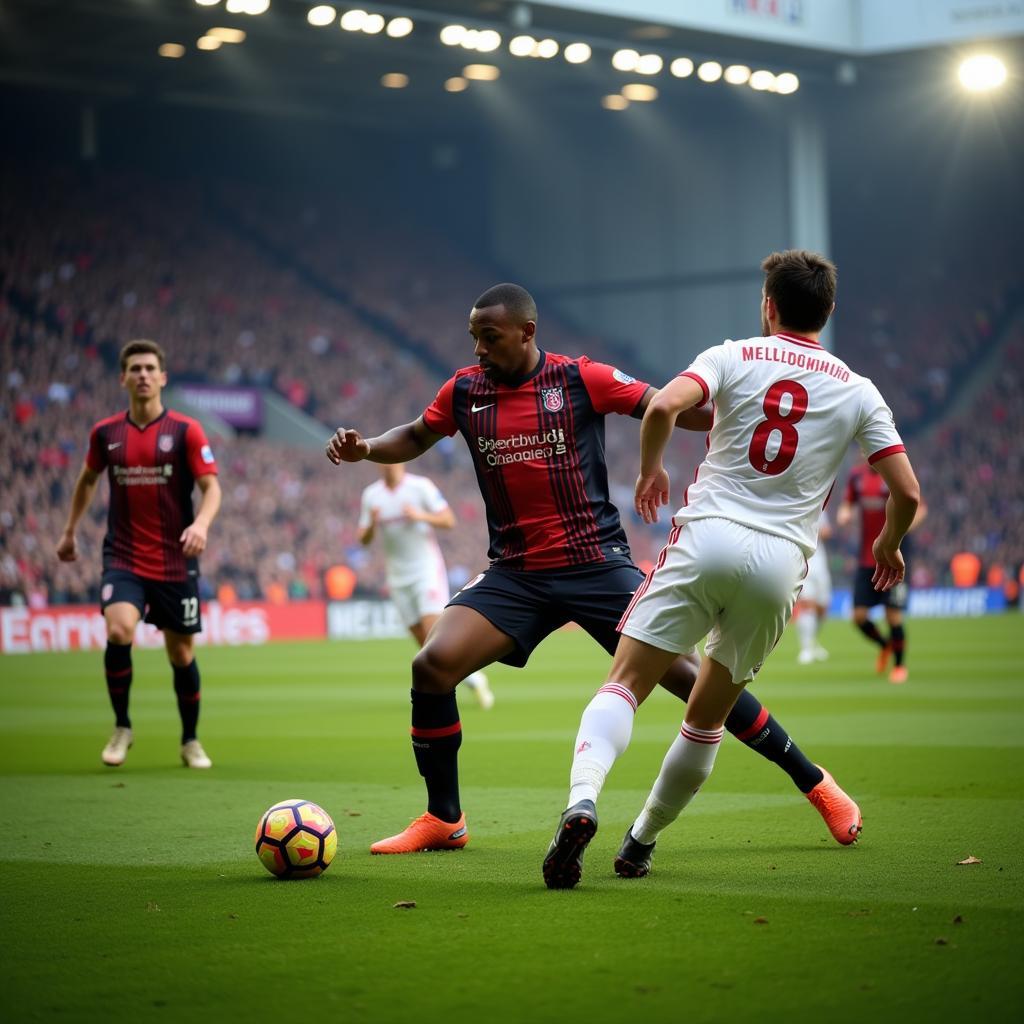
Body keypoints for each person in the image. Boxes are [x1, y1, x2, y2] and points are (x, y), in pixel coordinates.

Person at [326, 282, 861, 856]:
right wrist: (368, 449)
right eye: (474, 338)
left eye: (490, 337)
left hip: (595, 565)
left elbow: (671, 405)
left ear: (527, 333)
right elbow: (414, 435)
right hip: (516, 574)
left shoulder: (581, 378)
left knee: (693, 678)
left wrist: (746, 410)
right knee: (431, 666)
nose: (478, 349)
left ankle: (816, 783)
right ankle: (444, 819)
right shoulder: (463, 391)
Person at [542, 250, 920, 889]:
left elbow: (662, 406)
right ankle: (639, 844)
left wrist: (651, 469)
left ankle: (583, 800)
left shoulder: (732, 355)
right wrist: (888, 543)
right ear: (827, 313)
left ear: (768, 306)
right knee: (705, 719)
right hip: (780, 562)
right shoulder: (859, 390)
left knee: (625, 683)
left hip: (706, 539)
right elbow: (907, 493)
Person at [56, 340, 222, 769]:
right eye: (135, 368)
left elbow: (211, 487)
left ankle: (190, 740)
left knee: (181, 654)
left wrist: (201, 524)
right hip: (124, 556)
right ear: (123, 378)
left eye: (150, 368)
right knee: (118, 631)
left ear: (163, 377)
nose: (143, 375)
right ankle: (122, 726)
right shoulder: (105, 433)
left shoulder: (186, 431)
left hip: (174, 559)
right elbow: (88, 480)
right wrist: (70, 530)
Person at [358, 464, 493, 708]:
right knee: (423, 642)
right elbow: (363, 539)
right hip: (397, 577)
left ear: (402, 461)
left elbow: (449, 520)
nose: (389, 463)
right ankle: (474, 679)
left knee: (434, 636)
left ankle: (446, 689)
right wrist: (371, 525)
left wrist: (421, 516)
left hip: (426, 571)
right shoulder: (372, 495)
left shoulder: (420, 487)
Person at [836, 461, 927, 684]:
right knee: (858, 617)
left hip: (894, 555)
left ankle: (899, 666)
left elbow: (920, 508)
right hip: (866, 557)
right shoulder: (856, 476)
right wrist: (844, 513)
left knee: (892, 615)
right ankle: (885, 645)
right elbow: (846, 503)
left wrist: (900, 530)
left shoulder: (896, 471)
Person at [795, 511, 833, 665]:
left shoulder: (821, 509)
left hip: (821, 564)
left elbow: (826, 532)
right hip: (805, 562)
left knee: (822, 607)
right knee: (807, 605)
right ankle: (805, 649)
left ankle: (813, 642)